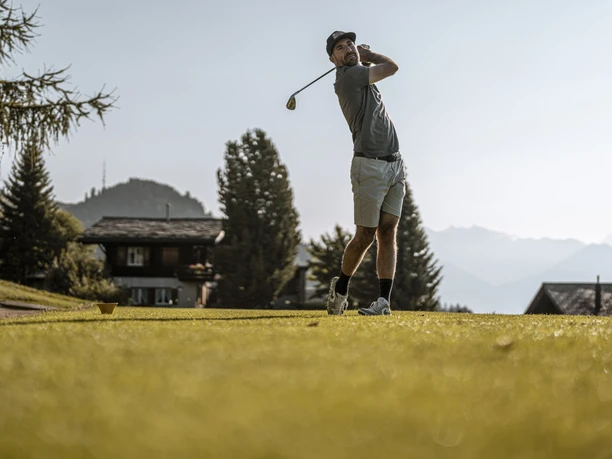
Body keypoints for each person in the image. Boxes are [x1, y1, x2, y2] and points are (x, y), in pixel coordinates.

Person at [325, 31, 406, 316]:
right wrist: (368, 55)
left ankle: (383, 302)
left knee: (388, 231)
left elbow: (373, 74)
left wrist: (364, 61)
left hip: (395, 164)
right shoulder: (348, 77)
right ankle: (341, 288)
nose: (347, 48)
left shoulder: (361, 74)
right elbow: (393, 68)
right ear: (334, 60)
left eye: (349, 44)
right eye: (340, 48)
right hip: (368, 166)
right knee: (365, 235)